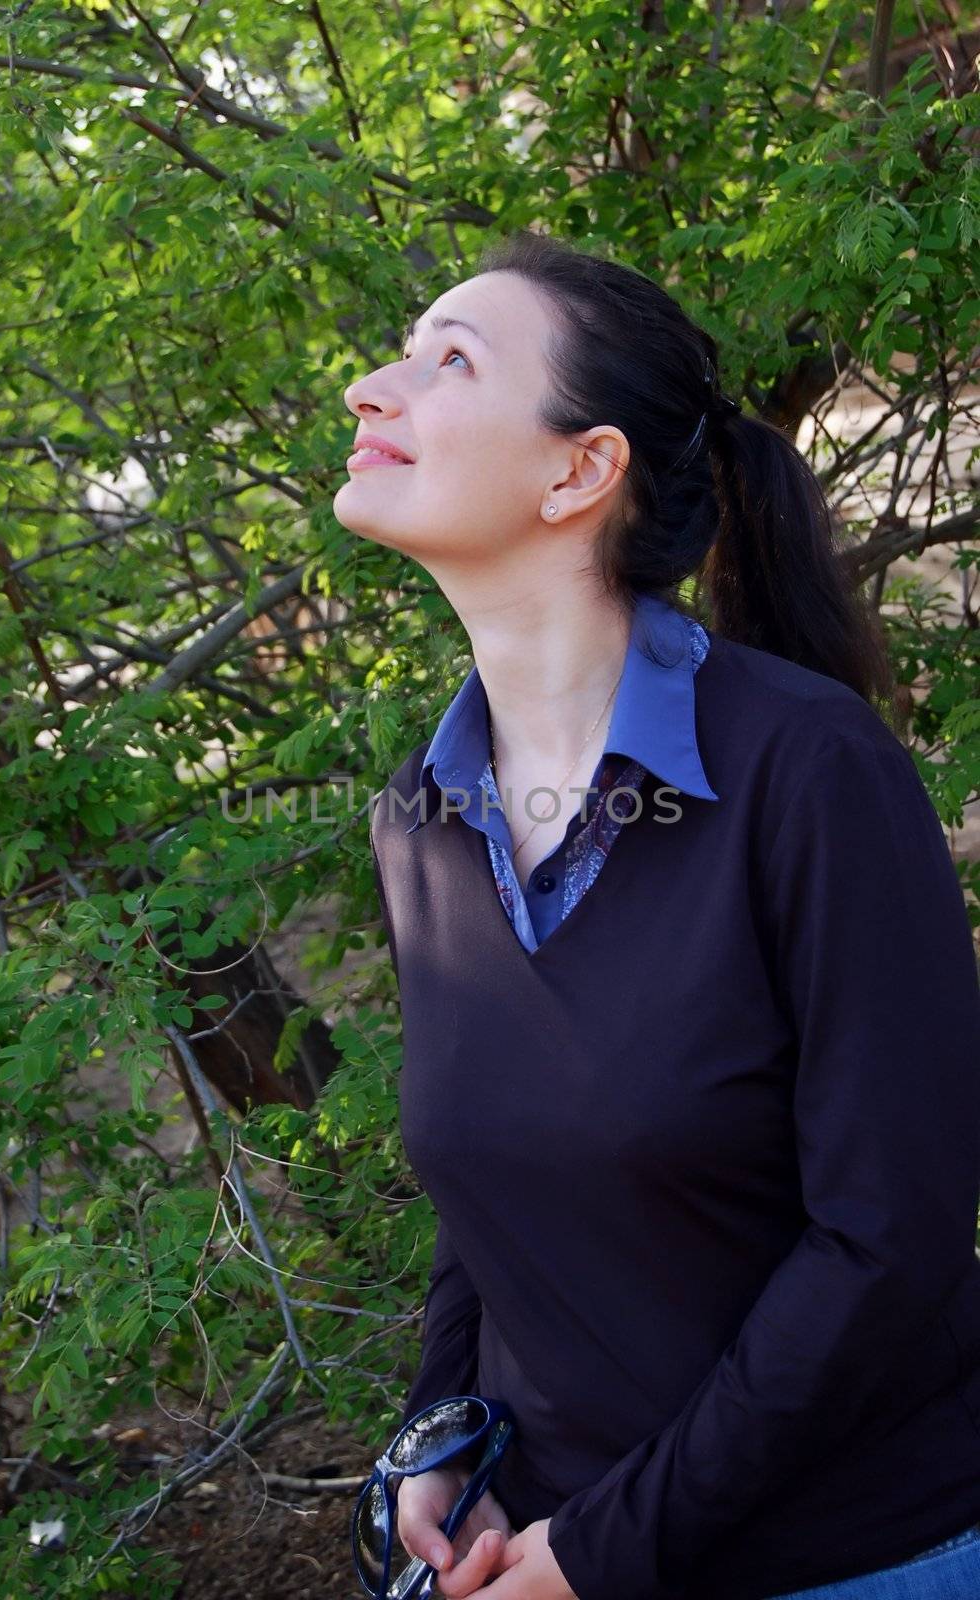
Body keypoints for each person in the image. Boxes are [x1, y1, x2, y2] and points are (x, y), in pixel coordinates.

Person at [333, 230, 980, 1600]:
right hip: (563, 1551)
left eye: (450, 359)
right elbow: (491, 1199)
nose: (369, 392)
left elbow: (891, 1238)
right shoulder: (422, 825)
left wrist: (608, 1548)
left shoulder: (808, 770)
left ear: (581, 468)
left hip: (856, 1557)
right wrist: (440, 1439)